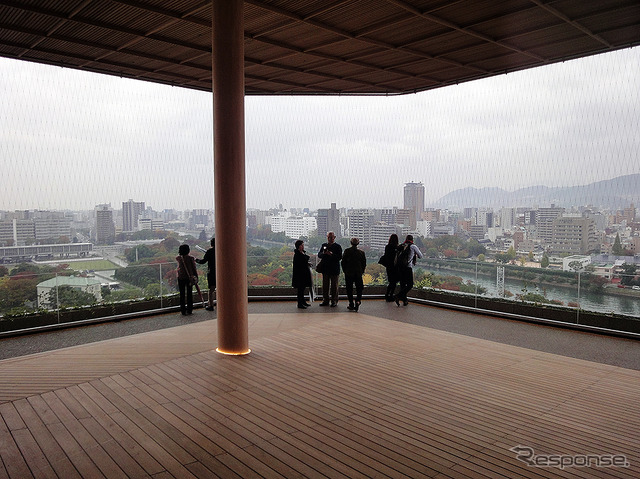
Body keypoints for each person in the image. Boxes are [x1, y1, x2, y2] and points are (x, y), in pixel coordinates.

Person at [395, 234, 423, 307]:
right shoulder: (413, 246)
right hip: (408, 267)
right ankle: (398, 296)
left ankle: (405, 301)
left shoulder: (402, 245)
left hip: (400, 267)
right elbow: (421, 256)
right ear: (412, 240)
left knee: (403, 284)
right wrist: (414, 254)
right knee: (410, 285)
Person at [317, 231, 342, 307]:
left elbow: (340, 257)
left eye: (331, 237)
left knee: (334, 286)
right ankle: (325, 300)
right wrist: (324, 253)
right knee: (325, 286)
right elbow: (319, 255)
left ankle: (334, 300)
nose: (330, 239)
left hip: (334, 269)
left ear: (334, 237)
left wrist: (332, 254)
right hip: (325, 269)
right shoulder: (324, 245)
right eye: (329, 237)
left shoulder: (338, 246)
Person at [341, 237, 366, 312]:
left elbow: (343, 262)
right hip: (358, 273)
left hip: (349, 273)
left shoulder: (347, 251)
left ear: (351, 243)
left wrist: (345, 270)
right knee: (359, 288)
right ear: (358, 243)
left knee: (349, 289)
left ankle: (351, 303)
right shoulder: (361, 253)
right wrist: (361, 271)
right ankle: (358, 300)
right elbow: (364, 263)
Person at [176, 244, 198, 315]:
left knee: (182, 294)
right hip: (189, 278)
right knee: (189, 293)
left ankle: (183, 310)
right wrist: (196, 277)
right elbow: (193, 268)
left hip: (180, 277)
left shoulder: (178, 258)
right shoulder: (191, 258)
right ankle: (189, 309)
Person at [195, 238, 216, 311]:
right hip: (220, 273)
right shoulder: (221, 250)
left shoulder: (209, 251)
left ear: (211, 244)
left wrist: (196, 260)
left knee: (211, 290)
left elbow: (203, 261)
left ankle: (211, 305)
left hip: (212, 272)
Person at [292, 240, 312, 309]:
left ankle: (303, 302)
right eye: (302, 245)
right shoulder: (297, 254)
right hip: (300, 275)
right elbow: (303, 261)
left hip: (303, 274)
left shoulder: (301, 253)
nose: (303, 246)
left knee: (302, 289)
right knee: (300, 290)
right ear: (299, 246)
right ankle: (300, 303)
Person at [382, 233, 399, 302]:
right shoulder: (396, 248)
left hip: (388, 267)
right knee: (394, 282)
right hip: (394, 267)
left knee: (391, 282)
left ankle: (387, 295)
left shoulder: (387, 247)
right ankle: (390, 295)